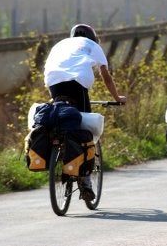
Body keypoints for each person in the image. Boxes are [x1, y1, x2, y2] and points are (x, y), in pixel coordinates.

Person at [44, 23, 126, 201]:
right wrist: (117, 97)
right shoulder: (93, 46)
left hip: (53, 82)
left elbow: (54, 67)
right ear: (93, 38)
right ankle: (85, 181)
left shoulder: (61, 44)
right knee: (84, 127)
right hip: (77, 83)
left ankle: (58, 149)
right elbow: (106, 76)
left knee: (61, 115)